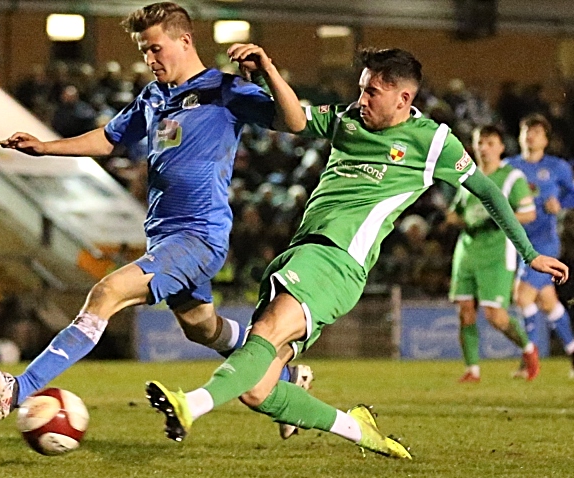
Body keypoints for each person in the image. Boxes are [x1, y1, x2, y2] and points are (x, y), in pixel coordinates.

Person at [145, 46, 569, 459]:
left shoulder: (433, 142)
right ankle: (356, 428)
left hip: (338, 260)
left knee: (266, 333)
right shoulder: (348, 119)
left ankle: (191, 404)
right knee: (258, 389)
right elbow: (295, 121)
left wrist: (528, 253)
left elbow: (488, 190)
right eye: (361, 88)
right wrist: (271, 70)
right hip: (302, 252)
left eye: (372, 92)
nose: (360, 99)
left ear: (403, 98)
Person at [0, 2, 313, 437]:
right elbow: (108, 138)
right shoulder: (154, 96)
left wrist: (267, 68)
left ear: (185, 41)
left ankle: (18, 388)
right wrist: (45, 147)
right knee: (201, 329)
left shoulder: (223, 90)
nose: (149, 60)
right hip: (164, 238)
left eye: (155, 49)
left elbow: (295, 120)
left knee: (107, 292)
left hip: (198, 236)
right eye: (143, 51)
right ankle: (288, 379)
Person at [447, 125, 537, 383]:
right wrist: (453, 219)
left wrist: (494, 219)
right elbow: (455, 211)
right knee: (465, 311)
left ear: (501, 147)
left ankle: (528, 350)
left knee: (495, 316)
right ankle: (472, 370)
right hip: (467, 251)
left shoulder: (511, 177)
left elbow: (529, 213)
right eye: (479, 143)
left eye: (489, 142)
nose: (483, 148)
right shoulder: (467, 176)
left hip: (498, 252)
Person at [506, 114, 574, 378]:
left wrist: (561, 206)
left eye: (536, 131)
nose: (530, 135)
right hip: (517, 243)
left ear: (545, 139)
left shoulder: (557, 167)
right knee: (549, 303)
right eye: (526, 130)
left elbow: (571, 194)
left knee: (522, 298)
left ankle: (530, 359)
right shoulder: (510, 166)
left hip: (544, 243)